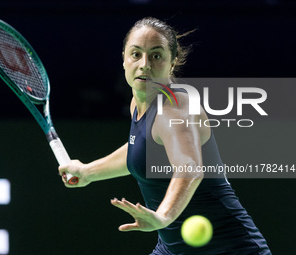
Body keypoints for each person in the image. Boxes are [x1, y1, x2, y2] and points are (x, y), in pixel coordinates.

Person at [59, 17, 271, 255]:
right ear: (124, 58)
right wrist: (88, 172)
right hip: (172, 249)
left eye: (156, 55)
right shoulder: (138, 103)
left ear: (172, 63)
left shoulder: (173, 107)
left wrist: (163, 217)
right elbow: (140, 149)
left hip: (231, 249)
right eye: (136, 54)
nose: (144, 64)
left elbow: (189, 166)